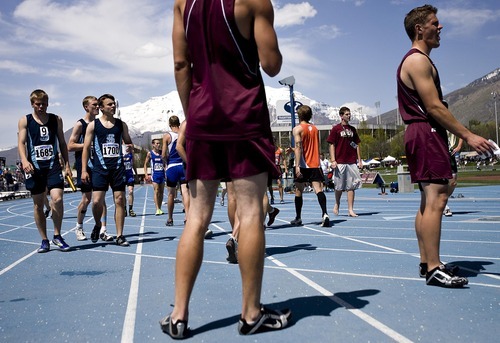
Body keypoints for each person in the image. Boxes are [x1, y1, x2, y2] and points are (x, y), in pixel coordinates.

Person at [160, 0, 290, 338]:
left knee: (197, 217)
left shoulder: (182, 4)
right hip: (244, 116)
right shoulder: (254, 1)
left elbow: (179, 63)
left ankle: (178, 314)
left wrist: (196, 113)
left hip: (203, 118)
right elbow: (272, 65)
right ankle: (250, 314)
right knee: (249, 215)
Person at [397, 5, 494, 288]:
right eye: (435, 24)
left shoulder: (420, 61)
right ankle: (434, 268)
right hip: (426, 132)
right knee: (437, 200)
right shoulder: (417, 62)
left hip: (421, 133)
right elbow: (434, 107)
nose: (440, 28)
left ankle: (428, 262)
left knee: (429, 201)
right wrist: (470, 136)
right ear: (419, 29)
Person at [17, 89, 72, 252]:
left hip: (53, 166)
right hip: (34, 167)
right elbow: (21, 143)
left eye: (44, 104)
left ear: (48, 103)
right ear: (32, 104)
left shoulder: (56, 119)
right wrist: (25, 160)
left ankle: (57, 235)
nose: (41, 107)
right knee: (38, 205)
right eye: (38, 104)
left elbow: (62, 142)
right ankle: (44, 240)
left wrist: (67, 164)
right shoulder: (25, 121)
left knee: (57, 199)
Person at [81, 93, 134, 247]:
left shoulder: (121, 125)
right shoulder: (93, 125)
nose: (113, 106)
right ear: (102, 108)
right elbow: (85, 149)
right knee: (97, 201)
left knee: (119, 200)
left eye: (114, 104)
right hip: (100, 169)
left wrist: (129, 148)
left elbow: (128, 143)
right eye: (109, 104)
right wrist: (84, 170)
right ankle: (98, 225)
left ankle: (120, 235)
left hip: (117, 168)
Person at [68, 95, 111, 241]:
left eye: (98, 104)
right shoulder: (81, 124)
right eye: (94, 105)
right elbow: (70, 146)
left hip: (99, 165)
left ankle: (103, 229)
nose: (97, 107)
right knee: (86, 199)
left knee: (101, 199)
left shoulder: (101, 123)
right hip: (85, 165)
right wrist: (88, 145)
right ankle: (79, 227)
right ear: (86, 107)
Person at [290, 105, 330, 227]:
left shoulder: (297, 129)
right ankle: (325, 213)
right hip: (315, 163)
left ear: (299, 115)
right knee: (318, 189)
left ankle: (298, 217)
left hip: (303, 164)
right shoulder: (315, 129)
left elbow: (299, 147)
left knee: (298, 190)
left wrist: (297, 165)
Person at [327, 106, 363, 217]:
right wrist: (333, 160)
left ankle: (350, 209)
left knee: (351, 186)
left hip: (351, 161)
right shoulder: (336, 129)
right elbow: (331, 145)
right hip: (340, 161)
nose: (349, 116)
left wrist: (360, 160)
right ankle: (337, 204)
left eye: (349, 114)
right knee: (339, 186)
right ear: (341, 116)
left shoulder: (353, 129)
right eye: (347, 114)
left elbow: (356, 145)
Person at [162, 116, 189, 225]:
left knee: (171, 194)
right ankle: (187, 216)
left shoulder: (167, 136)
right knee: (185, 192)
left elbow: (163, 154)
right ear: (179, 124)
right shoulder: (184, 134)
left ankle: (170, 218)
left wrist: (165, 162)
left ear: (169, 125)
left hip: (172, 167)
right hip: (182, 165)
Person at [144, 138, 165, 216]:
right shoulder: (150, 153)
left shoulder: (161, 153)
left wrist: (166, 170)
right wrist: (146, 174)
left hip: (162, 174)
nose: (158, 145)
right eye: (156, 143)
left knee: (161, 192)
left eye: (159, 143)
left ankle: (160, 208)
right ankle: (157, 209)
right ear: (153, 144)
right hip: (155, 175)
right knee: (156, 190)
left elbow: (164, 163)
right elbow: (145, 164)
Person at [443, 132, 463, 217]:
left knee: (453, 182)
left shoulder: (449, 123)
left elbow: (461, 133)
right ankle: (444, 205)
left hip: (450, 154)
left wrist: (459, 146)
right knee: (439, 182)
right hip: (439, 154)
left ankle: (442, 200)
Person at [268, 138, 287, 204]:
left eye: (274, 142)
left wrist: (286, 168)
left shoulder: (280, 150)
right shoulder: (268, 150)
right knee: (269, 185)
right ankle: (272, 197)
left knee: (279, 183)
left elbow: (284, 159)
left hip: (277, 167)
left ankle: (281, 198)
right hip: (270, 168)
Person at [123, 145, 138, 217]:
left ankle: (131, 209)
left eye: (128, 147)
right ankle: (124, 209)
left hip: (130, 175)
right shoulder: (120, 154)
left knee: (131, 191)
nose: (127, 148)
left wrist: (136, 174)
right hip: (122, 176)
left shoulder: (131, 155)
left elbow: (134, 165)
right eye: (126, 147)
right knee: (122, 194)